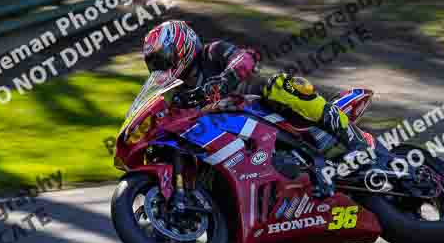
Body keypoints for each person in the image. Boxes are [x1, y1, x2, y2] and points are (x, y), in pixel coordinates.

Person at [142, 20, 369, 197]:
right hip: (239, 138)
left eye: (162, 58)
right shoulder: (180, 95)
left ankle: (354, 143)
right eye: (155, 65)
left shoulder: (212, 52)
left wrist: (224, 80)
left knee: (280, 86)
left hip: (266, 110)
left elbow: (245, 58)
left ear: (181, 44)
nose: (161, 68)